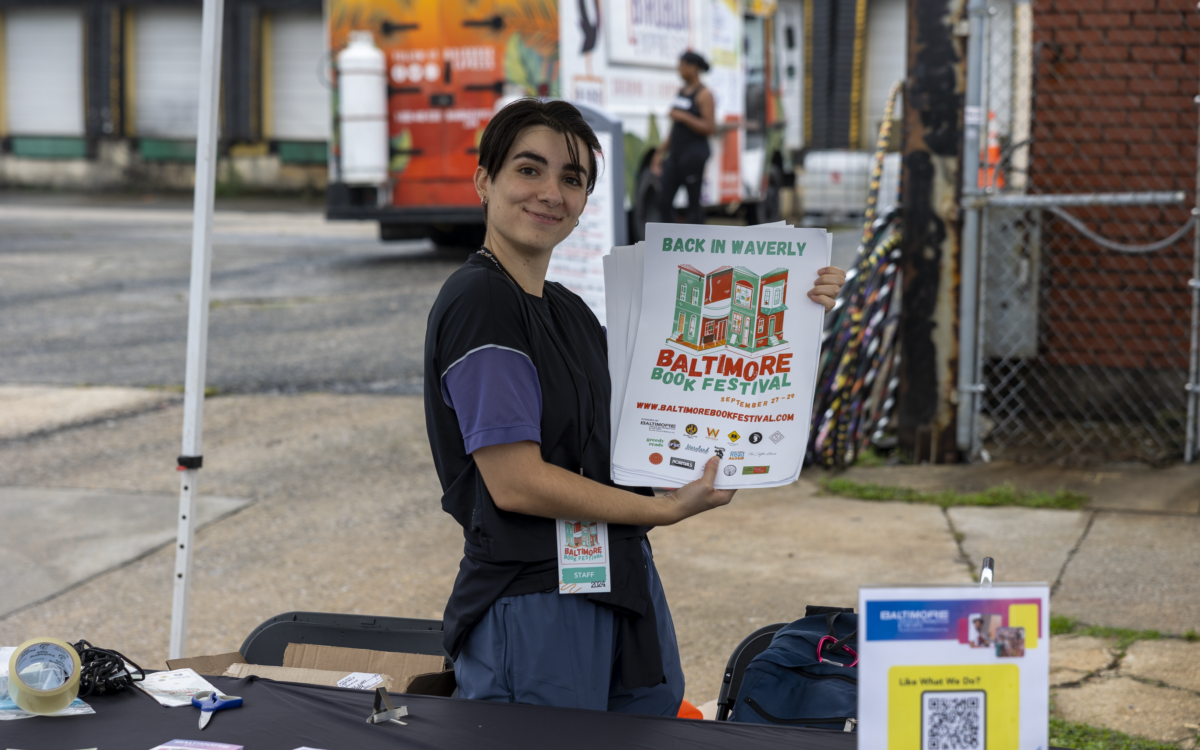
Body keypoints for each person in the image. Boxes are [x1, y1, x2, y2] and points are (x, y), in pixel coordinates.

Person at [423, 98, 847, 714]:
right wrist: (668, 509)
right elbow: (516, 482)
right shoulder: (481, 301)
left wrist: (796, 315)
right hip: (536, 598)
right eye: (528, 169)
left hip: (618, 578)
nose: (550, 192)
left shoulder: (566, 308)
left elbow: (660, 407)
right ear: (485, 180)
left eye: (572, 179)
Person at [652, 51, 716, 225]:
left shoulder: (704, 95)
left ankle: (696, 247)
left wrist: (684, 117)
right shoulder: (681, 92)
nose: (679, 71)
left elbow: (710, 127)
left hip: (694, 156)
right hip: (676, 155)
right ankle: (670, 242)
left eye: (681, 67)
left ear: (693, 68)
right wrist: (660, 152)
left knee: (693, 205)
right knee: (664, 201)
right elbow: (675, 128)